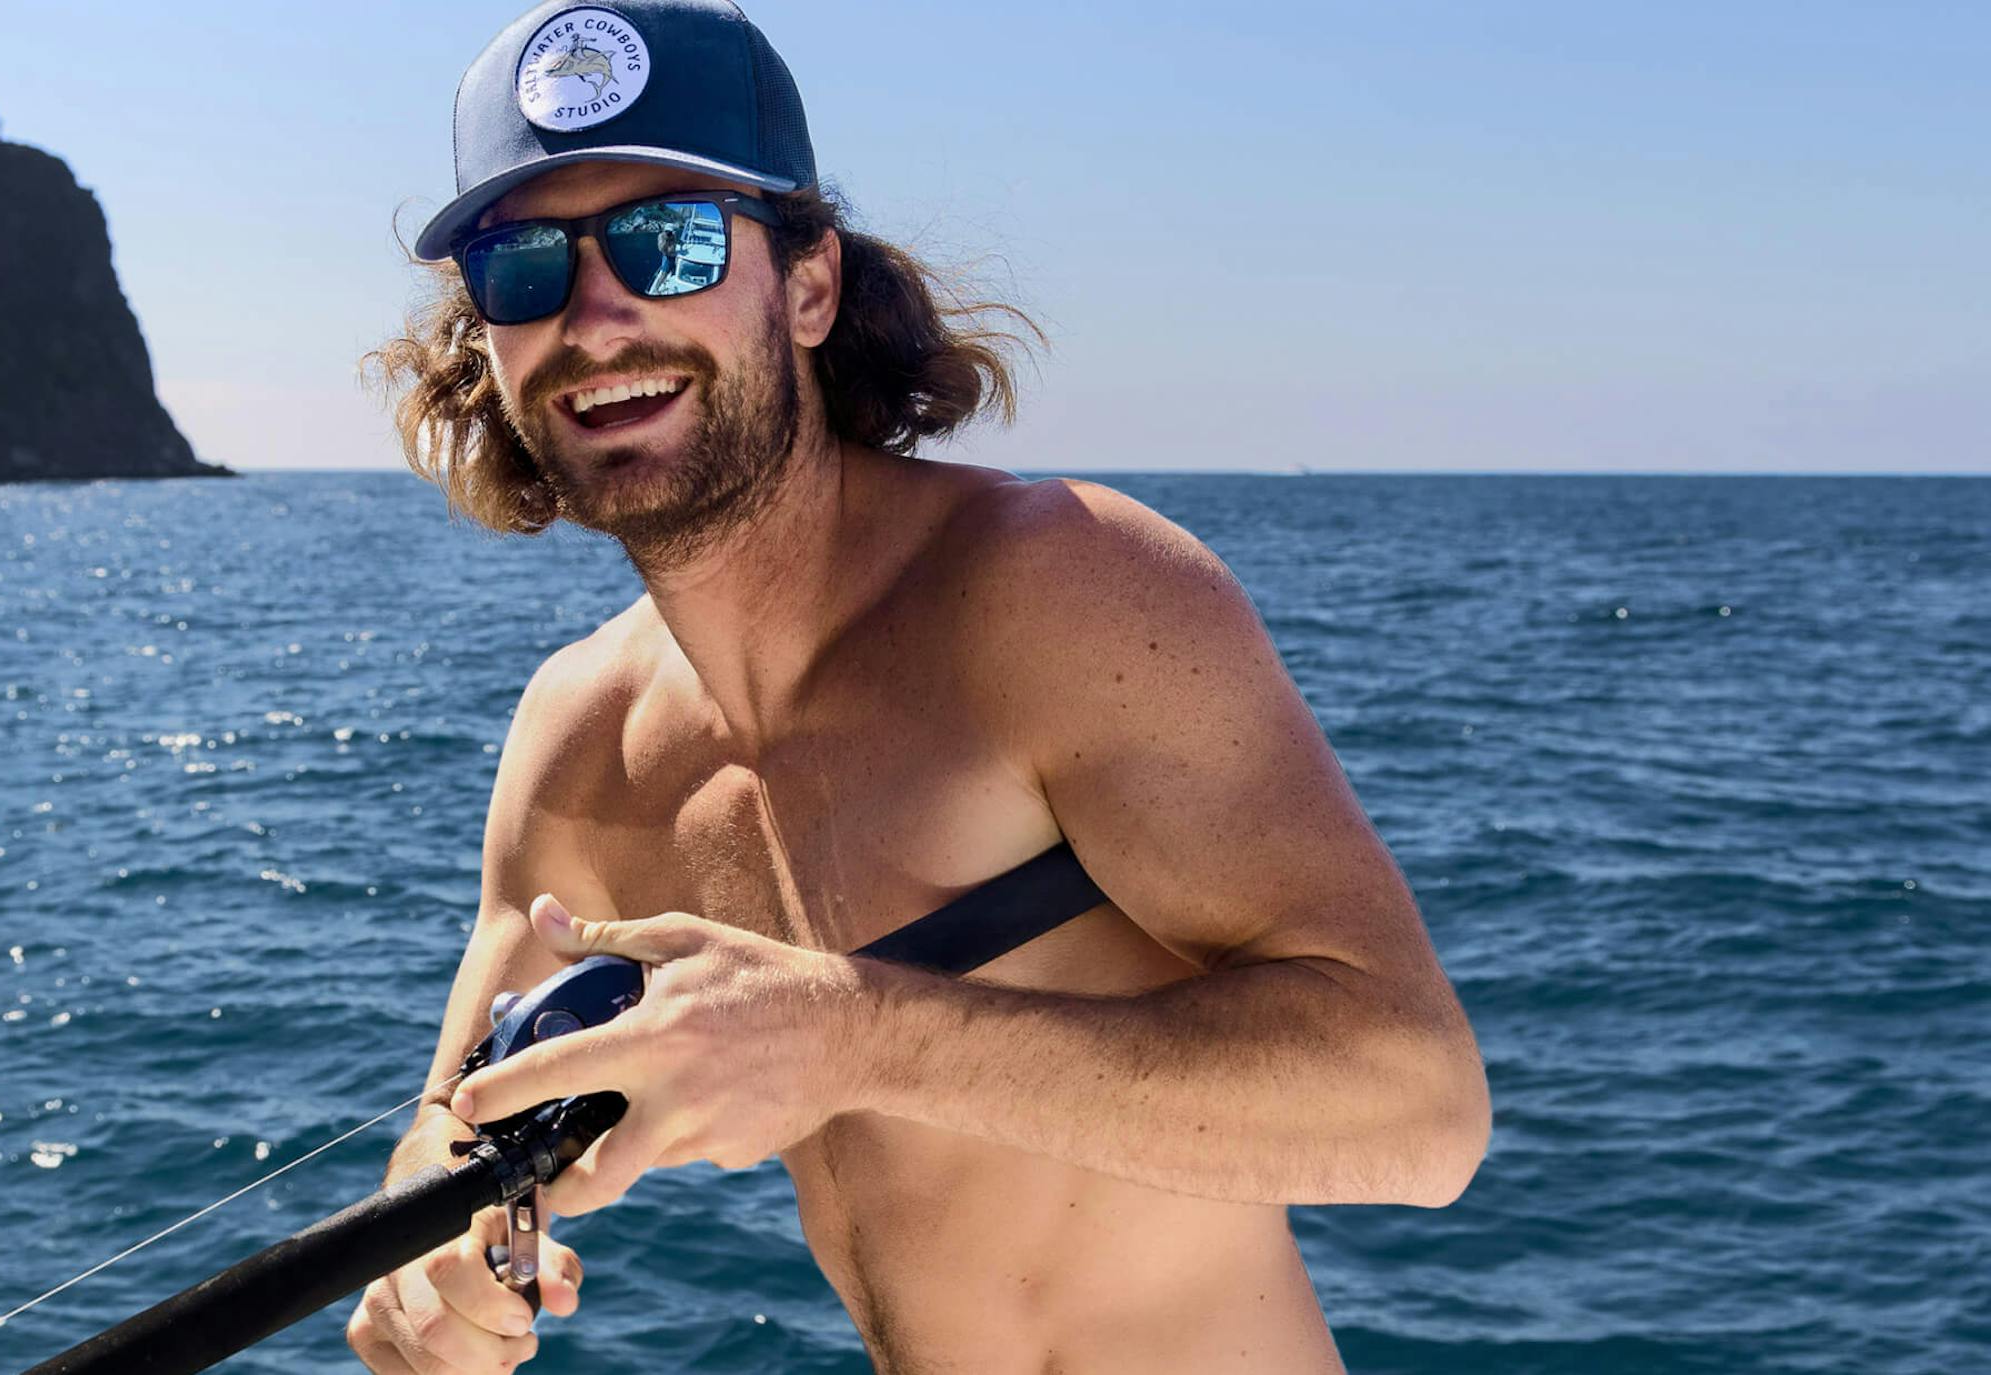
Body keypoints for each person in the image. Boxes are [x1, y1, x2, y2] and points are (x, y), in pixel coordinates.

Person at [351, 3, 1490, 1371]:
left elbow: (1420, 1114)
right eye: (523, 264)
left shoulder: (1059, 591)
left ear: (812, 284)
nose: (598, 317)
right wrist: (431, 1264)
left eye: (673, 241)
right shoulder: (581, 745)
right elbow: (456, 1126)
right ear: (488, 337)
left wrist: (853, 1038)